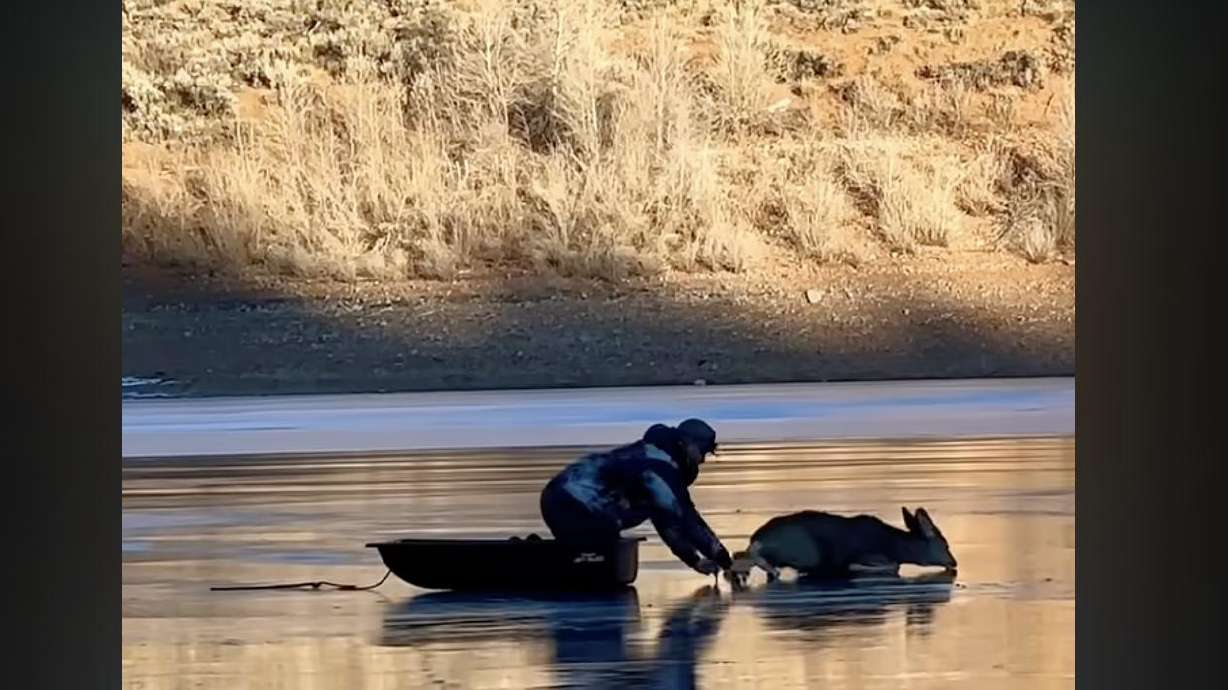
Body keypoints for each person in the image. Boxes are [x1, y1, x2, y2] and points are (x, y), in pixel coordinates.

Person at [539, 418, 732, 576]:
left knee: (586, 549)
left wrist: (694, 561)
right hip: (577, 505)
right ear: (687, 444)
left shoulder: (649, 456)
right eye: (702, 451)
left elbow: (665, 521)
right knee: (600, 553)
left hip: (556, 497)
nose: (702, 460)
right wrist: (722, 557)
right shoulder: (659, 469)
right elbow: (684, 517)